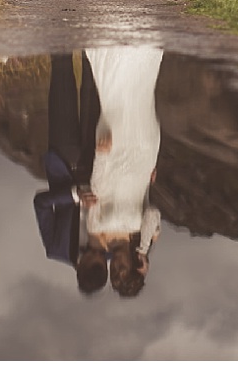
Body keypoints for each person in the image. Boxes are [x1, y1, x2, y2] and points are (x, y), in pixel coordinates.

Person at [83, 45, 163, 298]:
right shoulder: (144, 236)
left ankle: (115, 49)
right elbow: (152, 211)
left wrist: (102, 156)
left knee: (116, 103)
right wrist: (141, 250)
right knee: (141, 103)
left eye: (114, 273)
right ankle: (144, 52)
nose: (116, 266)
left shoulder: (97, 233)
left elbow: (98, 190)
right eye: (123, 270)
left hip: (115, 157)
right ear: (136, 268)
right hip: (141, 157)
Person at [31, 53, 106, 294]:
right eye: (101, 256)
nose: (99, 251)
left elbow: (41, 204)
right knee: (93, 81)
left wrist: (73, 196)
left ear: (79, 266)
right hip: (97, 160)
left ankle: (58, 16)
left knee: (61, 70)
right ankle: (91, 23)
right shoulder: (110, 251)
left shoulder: (55, 248)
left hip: (63, 158)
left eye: (92, 255)